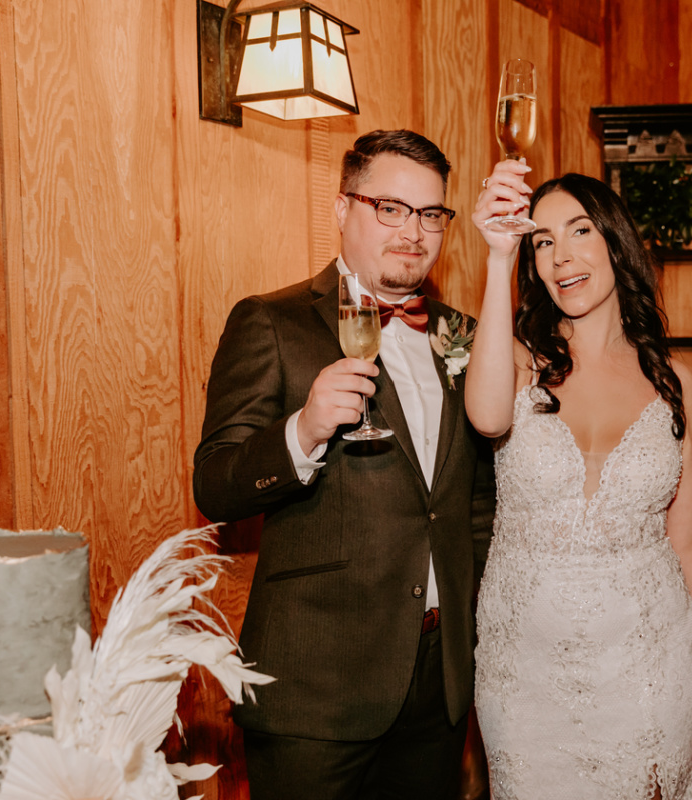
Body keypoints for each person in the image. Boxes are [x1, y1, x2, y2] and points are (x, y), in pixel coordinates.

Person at [193, 129, 494, 800]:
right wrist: (302, 430)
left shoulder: (462, 336)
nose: (413, 231)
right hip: (315, 691)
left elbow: (473, 501)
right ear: (342, 209)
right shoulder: (270, 322)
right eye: (391, 208)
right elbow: (214, 482)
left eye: (430, 214)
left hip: (436, 686)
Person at [464, 161, 692, 798]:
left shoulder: (676, 384)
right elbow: (485, 415)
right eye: (543, 241)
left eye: (580, 231)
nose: (561, 257)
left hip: (649, 666)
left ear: (615, 243)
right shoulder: (517, 360)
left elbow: (688, 540)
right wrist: (498, 259)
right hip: (525, 676)